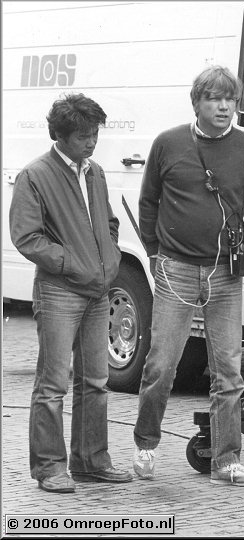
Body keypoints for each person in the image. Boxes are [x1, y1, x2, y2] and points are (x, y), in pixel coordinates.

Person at [133, 66, 244, 487]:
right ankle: (145, 443)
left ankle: (226, 461)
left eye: (230, 99)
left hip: (226, 274)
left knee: (228, 370)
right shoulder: (168, 143)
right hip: (175, 269)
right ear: (196, 102)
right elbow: (148, 202)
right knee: (162, 363)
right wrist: (154, 252)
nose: (223, 106)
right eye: (214, 98)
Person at [9, 93, 132, 493]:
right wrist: (74, 264)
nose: (92, 141)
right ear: (59, 135)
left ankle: (91, 461)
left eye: (95, 133)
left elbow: (109, 222)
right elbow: (26, 237)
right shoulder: (34, 175)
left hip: (97, 292)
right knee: (53, 384)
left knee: (96, 380)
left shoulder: (94, 172)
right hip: (60, 292)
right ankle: (49, 467)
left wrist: (109, 259)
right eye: (83, 135)